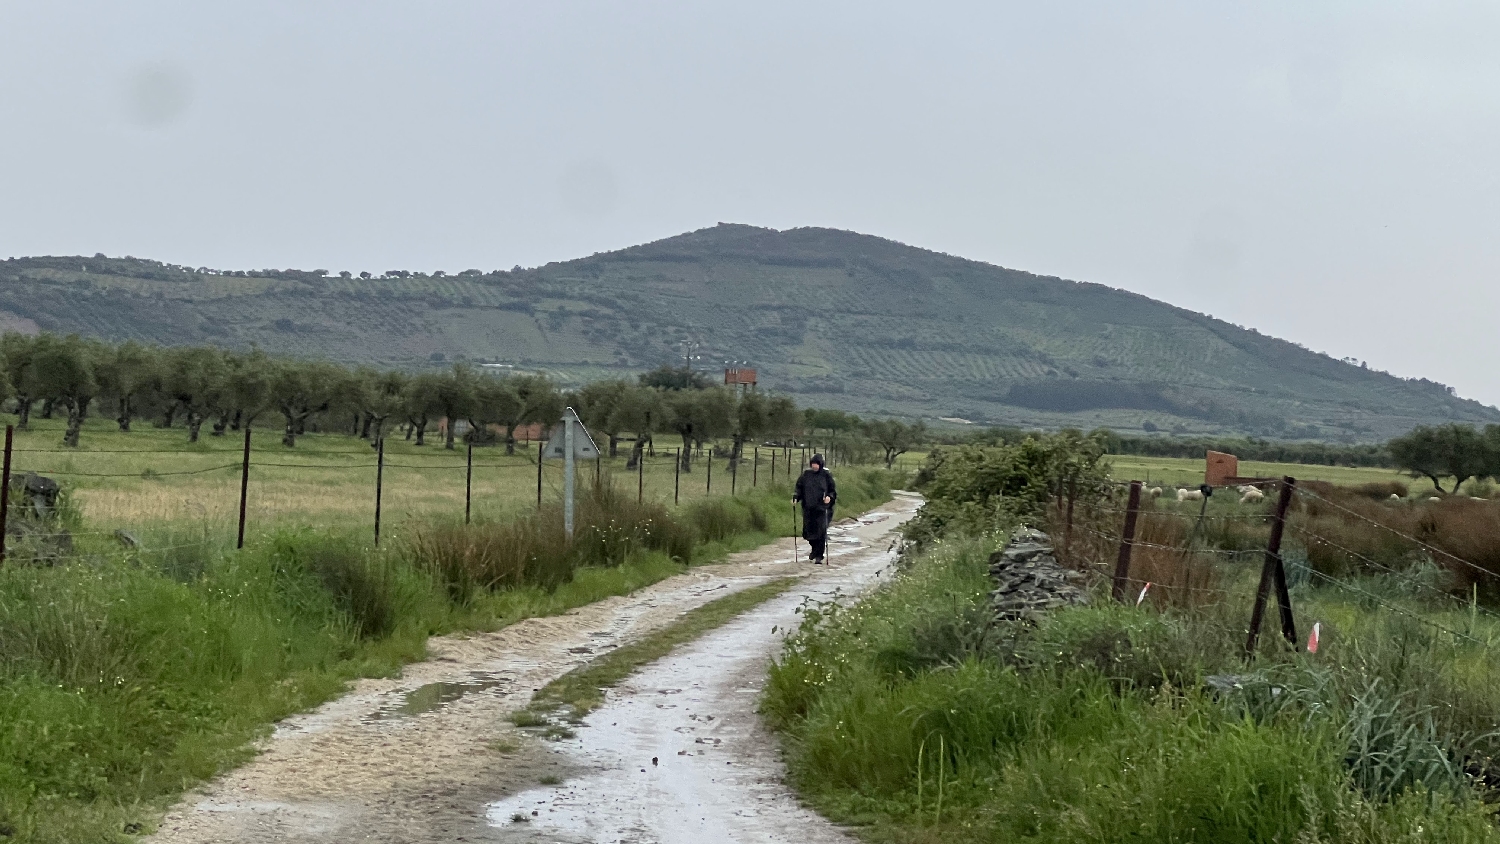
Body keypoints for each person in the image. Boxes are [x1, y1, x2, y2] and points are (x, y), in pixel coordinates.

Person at [793, 453, 837, 564]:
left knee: (820, 532)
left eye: (816, 464)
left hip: (822, 509)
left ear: (820, 464)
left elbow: (832, 490)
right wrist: (796, 498)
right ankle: (814, 549)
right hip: (808, 508)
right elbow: (799, 488)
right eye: (813, 464)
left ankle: (819, 556)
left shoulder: (826, 475)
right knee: (808, 533)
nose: (814, 466)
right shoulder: (806, 475)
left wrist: (829, 497)